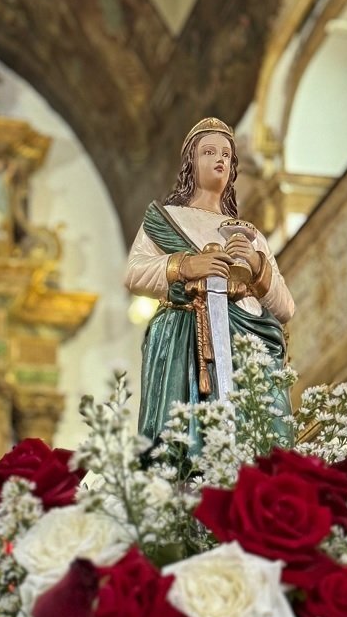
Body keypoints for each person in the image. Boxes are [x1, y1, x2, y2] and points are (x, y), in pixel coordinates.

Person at [125, 117, 295, 443]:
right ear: (191, 162)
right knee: (185, 443)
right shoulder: (169, 219)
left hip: (246, 341)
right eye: (209, 152)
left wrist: (256, 263)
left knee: (255, 441)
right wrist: (186, 265)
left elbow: (285, 307)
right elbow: (133, 273)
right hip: (184, 340)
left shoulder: (250, 233)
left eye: (226, 155)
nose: (219, 159)